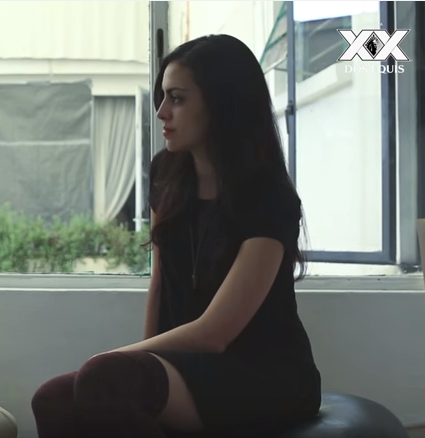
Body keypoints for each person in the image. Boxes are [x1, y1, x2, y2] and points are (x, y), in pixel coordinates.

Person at [30, 34, 322, 438]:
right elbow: (160, 282)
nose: (161, 111)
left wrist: (113, 363)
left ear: (223, 105)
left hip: (264, 374)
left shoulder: (269, 199)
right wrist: (137, 369)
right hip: (192, 364)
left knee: (103, 377)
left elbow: (216, 334)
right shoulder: (166, 174)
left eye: (177, 99)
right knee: (52, 399)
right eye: (163, 97)